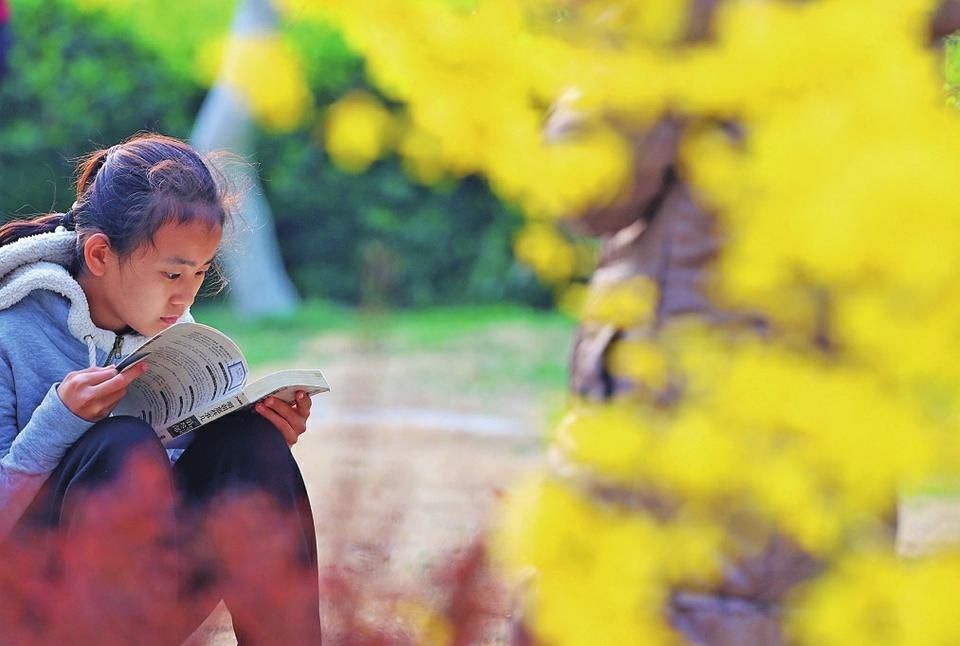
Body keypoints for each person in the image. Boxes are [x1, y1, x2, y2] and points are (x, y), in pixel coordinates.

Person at [0, 134, 322, 644]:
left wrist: (251, 439)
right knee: (119, 444)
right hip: (31, 609)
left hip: (141, 600)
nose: (185, 294)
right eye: (172, 272)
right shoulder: (11, 329)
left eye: (199, 272)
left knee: (249, 444)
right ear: (101, 254)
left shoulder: (169, 333)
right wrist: (59, 422)